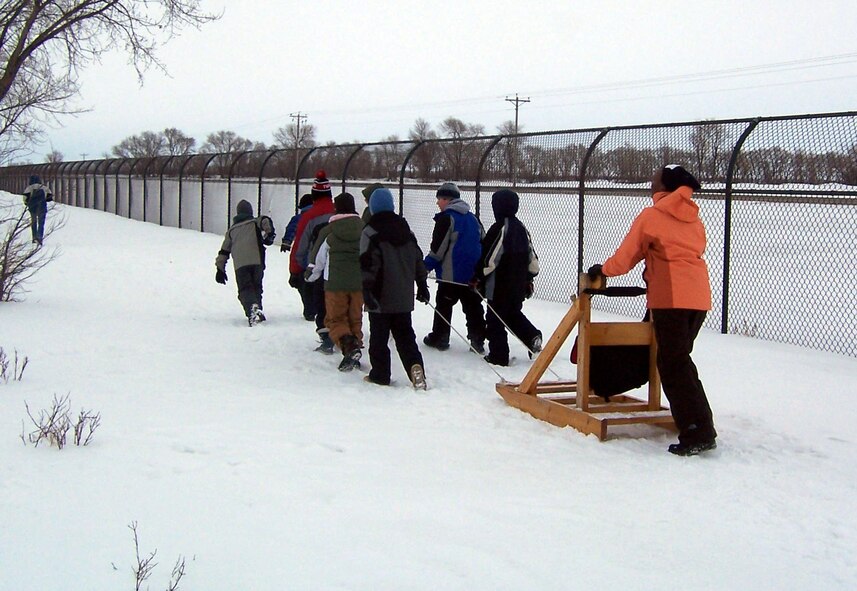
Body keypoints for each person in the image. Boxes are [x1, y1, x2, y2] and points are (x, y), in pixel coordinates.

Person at [588, 164, 717, 456]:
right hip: (698, 296)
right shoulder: (694, 218)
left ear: (663, 187)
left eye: (654, 179)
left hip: (671, 297)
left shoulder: (652, 216)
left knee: (673, 364)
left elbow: (626, 258)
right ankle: (700, 424)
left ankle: (698, 430)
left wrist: (602, 270)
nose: (650, 182)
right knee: (679, 361)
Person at [359, 187, 430, 389]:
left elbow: (367, 264)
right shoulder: (407, 232)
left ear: (373, 208)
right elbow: (418, 260)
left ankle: (380, 375)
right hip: (403, 295)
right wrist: (422, 285)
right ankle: (415, 367)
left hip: (379, 296)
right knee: (405, 336)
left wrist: (366, 291)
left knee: (379, 339)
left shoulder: (370, 232)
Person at [473, 189, 542, 366]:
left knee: (495, 319)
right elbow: (532, 259)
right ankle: (532, 337)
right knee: (512, 314)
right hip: (518, 285)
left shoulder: (500, 228)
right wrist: (529, 277)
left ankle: (499, 356)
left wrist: (478, 275)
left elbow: (490, 259)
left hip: (499, 285)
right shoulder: (521, 228)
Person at [422, 182, 486, 353]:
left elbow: (438, 249)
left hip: (451, 275)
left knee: (444, 305)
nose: (437, 202)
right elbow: (483, 242)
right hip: (472, 274)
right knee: (473, 307)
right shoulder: (473, 218)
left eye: (439, 199)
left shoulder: (446, 218)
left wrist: (425, 266)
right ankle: (478, 339)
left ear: (447, 199)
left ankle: (440, 337)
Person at [306, 193, 365, 371]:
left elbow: (318, 258)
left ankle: (350, 348)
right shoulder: (364, 229)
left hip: (334, 284)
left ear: (336, 208)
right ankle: (353, 351)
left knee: (335, 320)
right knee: (355, 319)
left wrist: (310, 275)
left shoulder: (329, 231)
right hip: (359, 283)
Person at [291, 170, 336, 350]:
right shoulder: (339, 211)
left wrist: (296, 269)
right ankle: (345, 334)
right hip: (342, 266)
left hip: (318, 267)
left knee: (321, 301)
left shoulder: (309, 217)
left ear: (314, 195)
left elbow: (300, 246)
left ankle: (326, 336)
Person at [215, 199, 276, 326]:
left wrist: (220, 268)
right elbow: (265, 220)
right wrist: (269, 232)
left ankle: (253, 310)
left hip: (240, 265)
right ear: (250, 212)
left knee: (245, 289)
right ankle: (257, 310)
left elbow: (224, 251)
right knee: (257, 287)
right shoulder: (255, 222)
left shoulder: (231, 231)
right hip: (257, 261)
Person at [282, 193, 315, 320]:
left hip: (302, 254)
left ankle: (309, 309)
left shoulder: (299, 218)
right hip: (316, 254)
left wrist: (286, 242)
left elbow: (291, 229)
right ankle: (315, 307)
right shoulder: (319, 216)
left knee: (303, 283)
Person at [22, 175, 52, 245]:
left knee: (34, 222)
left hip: (33, 208)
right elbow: (49, 198)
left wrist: (27, 204)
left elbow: (25, 198)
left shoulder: (29, 188)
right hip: (42, 207)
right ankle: (39, 237)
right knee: (41, 223)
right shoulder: (44, 187)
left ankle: (34, 237)